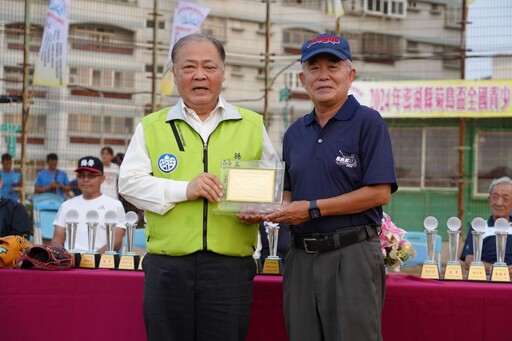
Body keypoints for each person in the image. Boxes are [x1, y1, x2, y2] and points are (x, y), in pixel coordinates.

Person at [118, 33, 279, 341]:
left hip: (230, 268)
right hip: (167, 265)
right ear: (175, 74)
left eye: (210, 66)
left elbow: (269, 186)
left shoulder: (252, 125)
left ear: (223, 72)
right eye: (189, 67)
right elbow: (129, 184)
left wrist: (259, 209)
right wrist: (184, 190)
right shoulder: (152, 126)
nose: (200, 75)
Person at [263, 33, 398, 341]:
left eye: (332, 66)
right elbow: (287, 192)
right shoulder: (295, 133)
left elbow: (380, 193)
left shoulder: (368, 122)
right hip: (301, 256)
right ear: (302, 78)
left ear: (350, 74)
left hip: (351, 254)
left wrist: (312, 209)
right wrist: (266, 208)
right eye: (314, 68)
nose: (323, 75)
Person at [51, 156, 126, 253]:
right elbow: (57, 239)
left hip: (100, 263)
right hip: (70, 262)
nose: (85, 179)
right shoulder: (66, 205)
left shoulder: (115, 205)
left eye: (91, 175)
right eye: (81, 175)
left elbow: (117, 241)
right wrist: (61, 257)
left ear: (102, 178)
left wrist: (93, 258)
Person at [460, 176, 512, 275]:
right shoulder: (479, 226)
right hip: (485, 280)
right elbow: (468, 260)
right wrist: (495, 270)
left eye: (505, 198)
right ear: (489, 200)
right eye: (495, 197)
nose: (499, 203)